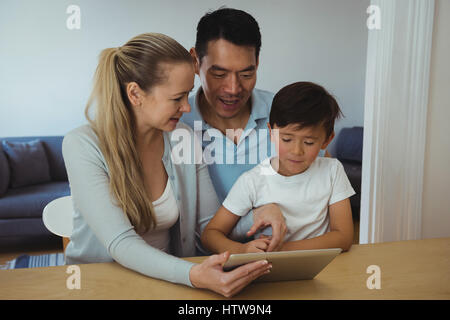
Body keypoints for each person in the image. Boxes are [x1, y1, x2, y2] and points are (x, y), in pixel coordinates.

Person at [62, 33, 272, 298]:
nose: (186, 107)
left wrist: (259, 217)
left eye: (188, 95)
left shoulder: (182, 136)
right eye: (177, 98)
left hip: (169, 285)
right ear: (135, 93)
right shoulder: (82, 144)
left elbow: (208, 225)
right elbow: (121, 243)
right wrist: (193, 275)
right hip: (99, 285)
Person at [201, 82, 355, 254]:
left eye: (309, 142)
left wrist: (282, 250)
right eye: (287, 139)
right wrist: (242, 250)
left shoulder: (332, 171)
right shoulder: (253, 180)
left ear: (326, 141)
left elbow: (344, 237)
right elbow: (211, 234)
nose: (297, 151)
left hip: (325, 269)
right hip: (269, 270)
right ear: (271, 132)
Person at [181, 7, 289, 250]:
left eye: (246, 73)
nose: (233, 88)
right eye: (219, 74)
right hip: (200, 266)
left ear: (257, 63)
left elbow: (323, 186)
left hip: (282, 259)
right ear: (195, 62)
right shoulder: (175, 123)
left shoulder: (285, 112)